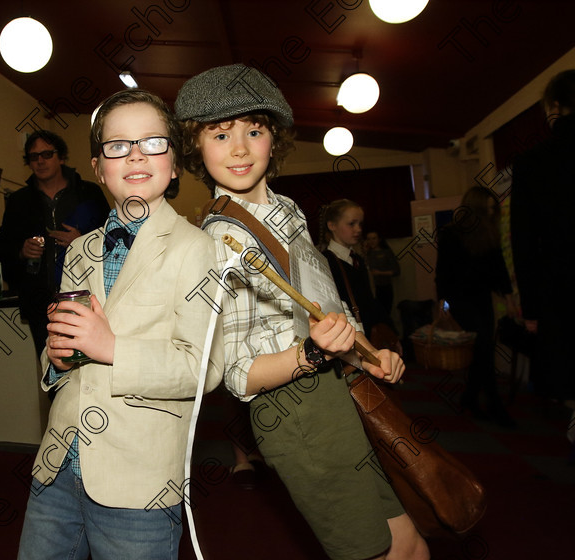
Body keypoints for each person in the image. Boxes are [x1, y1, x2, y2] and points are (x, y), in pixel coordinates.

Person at [175, 64, 428, 560]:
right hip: (293, 414)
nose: (241, 147)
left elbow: (325, 308)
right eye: (220, 134)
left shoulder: (287, 211)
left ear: (274, 138)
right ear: (197, 149)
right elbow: (237, 376)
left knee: (409, 545)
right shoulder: (214, 244)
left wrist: (368, 354)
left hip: (335, 394)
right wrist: (312, 353)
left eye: (254, 129)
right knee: (374, 552)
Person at [17, 89, 223, 560]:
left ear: (173, 164)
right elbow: (63, 349)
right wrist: (56, 355)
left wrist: (110, 346)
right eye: (117, 145)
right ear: (98, 167)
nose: (134, 154)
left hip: (139, 480)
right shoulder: (79, 249)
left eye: (152, 142)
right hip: (59, 465)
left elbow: (203, 367)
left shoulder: (197, 247)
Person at [0, 130, 109, 355]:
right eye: (33, 156)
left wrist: (81, 242)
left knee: (92, 367)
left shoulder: (88, 193)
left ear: (61, 157)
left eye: (47, 154)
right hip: (42, 304)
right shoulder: (19, 201)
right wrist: (21, 251)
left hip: (88, 298)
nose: (40, 161)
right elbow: (2, 248)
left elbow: (112, 239)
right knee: (53, 372)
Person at [511, 69, 575, 450]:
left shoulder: (534, 161)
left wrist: (532, 309)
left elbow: (524, 242)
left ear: (553, 107)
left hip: (562, 297)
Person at [437, 186, 516, 427]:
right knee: (483, 350)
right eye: (489, 209)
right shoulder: (452, 233)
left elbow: (498, 268)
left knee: (483, 351)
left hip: (482, 299)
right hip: (462, 301)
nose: (493, 214)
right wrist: (443, 303)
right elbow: (443, 271)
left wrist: (509, 297)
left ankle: (470, 398)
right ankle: (494, 404)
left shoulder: (488, 233)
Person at [320, 199, 399, 347]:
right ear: (332, 226)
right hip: (346, 338)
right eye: (351, 224)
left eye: (360, 224)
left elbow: (368, 299)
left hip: (367, 332)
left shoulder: (357, 259)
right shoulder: (325, 261)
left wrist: (390, 329)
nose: (358, 229)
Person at [364, 230, 400, 316]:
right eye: (369, 239)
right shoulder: (367, 254)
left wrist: (380, 273)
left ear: (379, 239)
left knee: (385, 314)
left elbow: (396, 271)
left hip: (384, 288)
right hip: (370, 290)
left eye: (374, 238)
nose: (371, 241)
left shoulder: (386, 252)